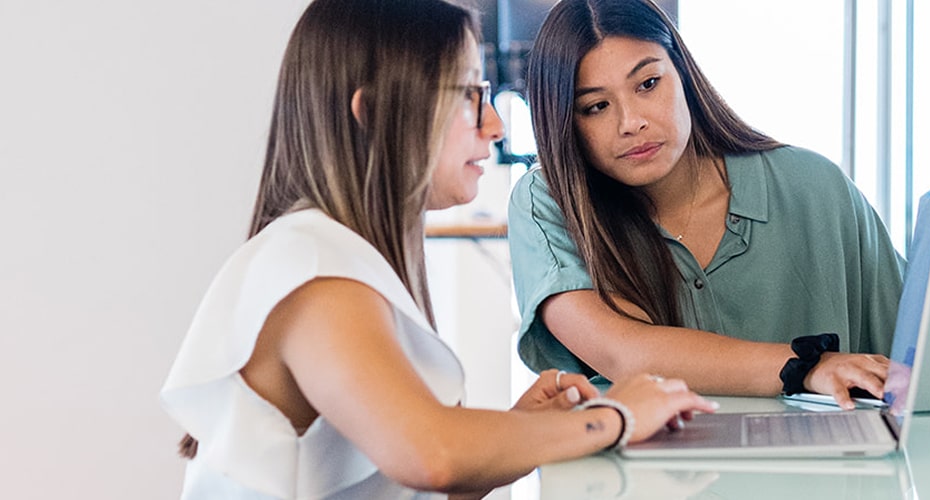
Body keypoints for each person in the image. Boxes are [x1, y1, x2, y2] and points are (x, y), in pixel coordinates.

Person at [160, 1, 716, 498]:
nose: (496, 126)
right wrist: (617, 417)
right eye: (472, 95)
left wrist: (518, 431)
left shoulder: (345, 259)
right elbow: (433, 456)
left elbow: (416, 477)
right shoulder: (312, 271)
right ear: (374, 113)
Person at [509, 0, 905, 409]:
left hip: (833, 470)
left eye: (647, 84)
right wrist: (806, 366)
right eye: (596, 107)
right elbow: (626, 353)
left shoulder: (815, 186)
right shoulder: (549, 204)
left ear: (683, 74)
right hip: (641, 473)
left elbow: (919, 354)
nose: (631, 122)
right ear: (564, 122)